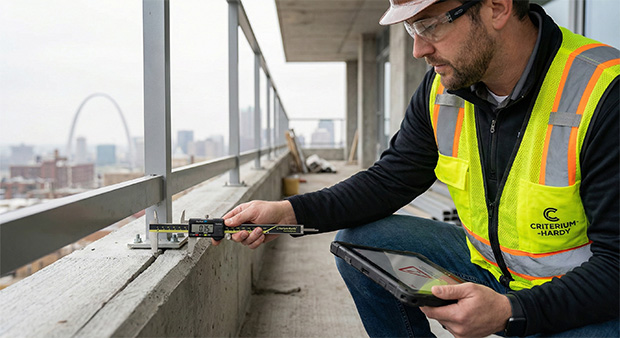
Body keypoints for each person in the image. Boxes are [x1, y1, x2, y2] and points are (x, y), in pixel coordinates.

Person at [213, 0, 620, 336]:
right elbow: (390, 180)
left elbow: (616, 268)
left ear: (497, 7)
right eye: (411, 30)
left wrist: (511, 311)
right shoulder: (444, 90)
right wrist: (289, 212)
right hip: (490, 266)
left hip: (584, 292)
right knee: (363, 242)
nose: (418, 50)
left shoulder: (604, 91)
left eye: (428, 25)